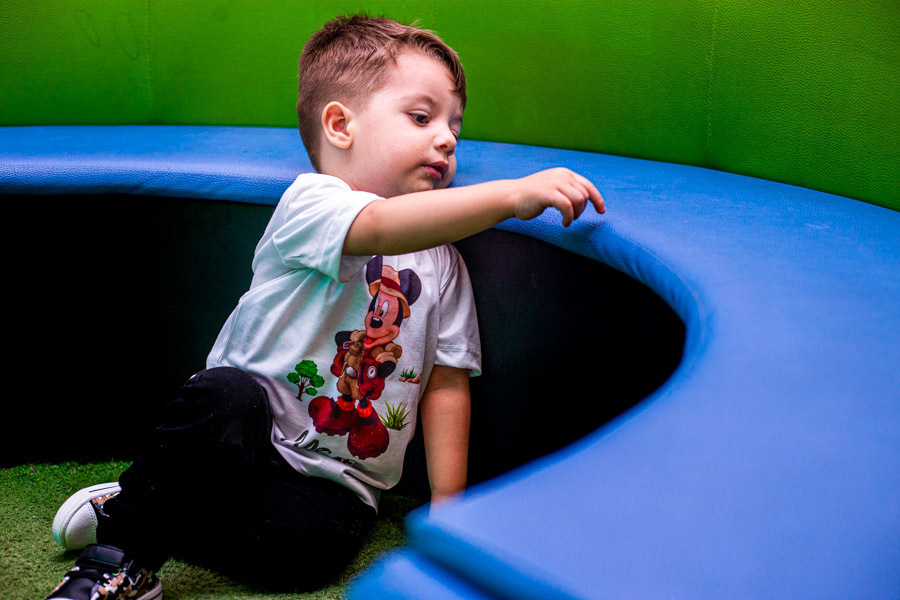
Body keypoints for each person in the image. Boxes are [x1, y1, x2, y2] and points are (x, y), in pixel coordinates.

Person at [46, 14, 604, 600]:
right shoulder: (311, 204)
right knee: (224, 398)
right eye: (421, 117)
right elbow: (381, 228)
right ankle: (119, 553)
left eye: (454, 129)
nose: (446, 139)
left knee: (308, 557)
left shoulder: (444, 265)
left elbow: (446, 382)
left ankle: (149, 501)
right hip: (243, 435)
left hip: (338, 481)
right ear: (340, 124)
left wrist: (450, 508)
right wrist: (513, 195)